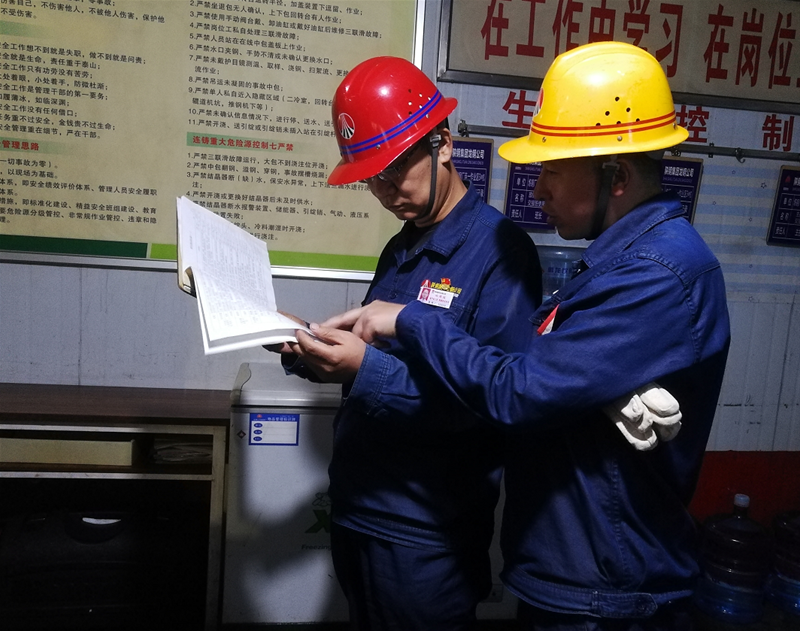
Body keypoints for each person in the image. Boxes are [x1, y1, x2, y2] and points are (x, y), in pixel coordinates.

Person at [292, 42, 731, 630]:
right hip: (568, 571)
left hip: (597, 586)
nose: (538, 189)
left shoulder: (655, 275)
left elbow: (512, 392)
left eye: (551, 170)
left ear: (618, 176)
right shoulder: (612, 265)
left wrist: (406, 326)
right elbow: (546, 382)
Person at [275, 56, 543, 629]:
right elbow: (375, 356)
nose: (385, 190)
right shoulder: (400, 248)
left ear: (442, 144)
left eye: (395, 169)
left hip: (427, 536)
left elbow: (495, 401)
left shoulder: (502, 253)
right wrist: (309, 347)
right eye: (371, 177)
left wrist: (361, 369)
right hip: (359, 509)